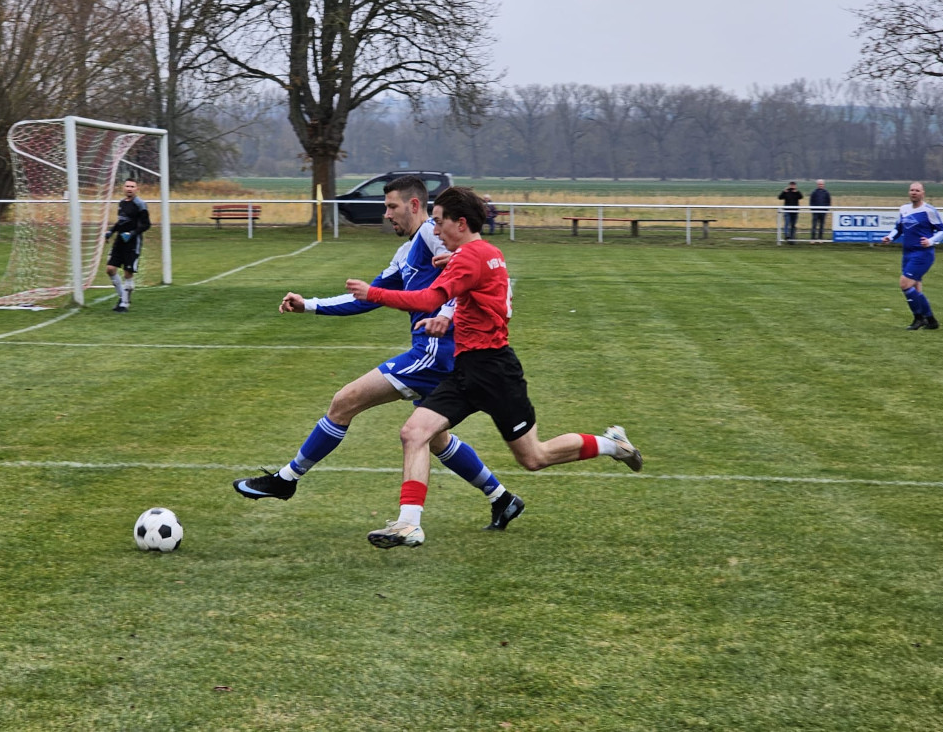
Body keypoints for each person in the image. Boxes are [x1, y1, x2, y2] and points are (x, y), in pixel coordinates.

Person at [345, 186, 642, 549]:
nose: (434, 231)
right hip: (465, 369)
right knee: (414, 432)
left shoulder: (470, 258)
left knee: (534, 457)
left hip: (495, 372)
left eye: (439, 223)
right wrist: (448, 288)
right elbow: (473, 285)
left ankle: (612, 445)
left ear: (461, 223)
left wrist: (372, 293)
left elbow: (428, 298)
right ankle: (409, 524)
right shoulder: (482, 253)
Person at [233, 175, 526, 532]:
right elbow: (367, 297)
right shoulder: (406, 253)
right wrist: (309, 305)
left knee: (345, 401)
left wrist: (447, 315)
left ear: (414, 205)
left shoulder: (432, 234)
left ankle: (287, 479)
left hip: (435, 352)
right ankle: (501, 498)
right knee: (435, 439)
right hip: (443, 354)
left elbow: (472, 275)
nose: (386, 215)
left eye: (391, 207)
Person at [881, 182, 943, 330]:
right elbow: (898, 228)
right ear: (908, 192)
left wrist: (930, 241)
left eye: (917, 190)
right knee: (915, 290)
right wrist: (890, 237)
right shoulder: (904, 209)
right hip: (908, 253)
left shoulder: (928, 210)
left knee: (905, 284)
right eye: (912, 190)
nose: (914, 193)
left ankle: (918, 318)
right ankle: (931, 321)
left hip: (923, 254)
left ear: (923, 193)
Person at [104, 179, 152, 313]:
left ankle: (124, 304)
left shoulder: (140, 204)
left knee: (127, 273)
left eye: (132, 186)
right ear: (123, 188)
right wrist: (111, 232)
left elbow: (146, 224)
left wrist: (132, 233)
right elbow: (121, 222)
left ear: (137, 189)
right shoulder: (122, 203)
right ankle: (123, 297)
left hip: (132, 243)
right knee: (110, 269)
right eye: (127, 186)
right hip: (119, 241)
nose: (129, 188)